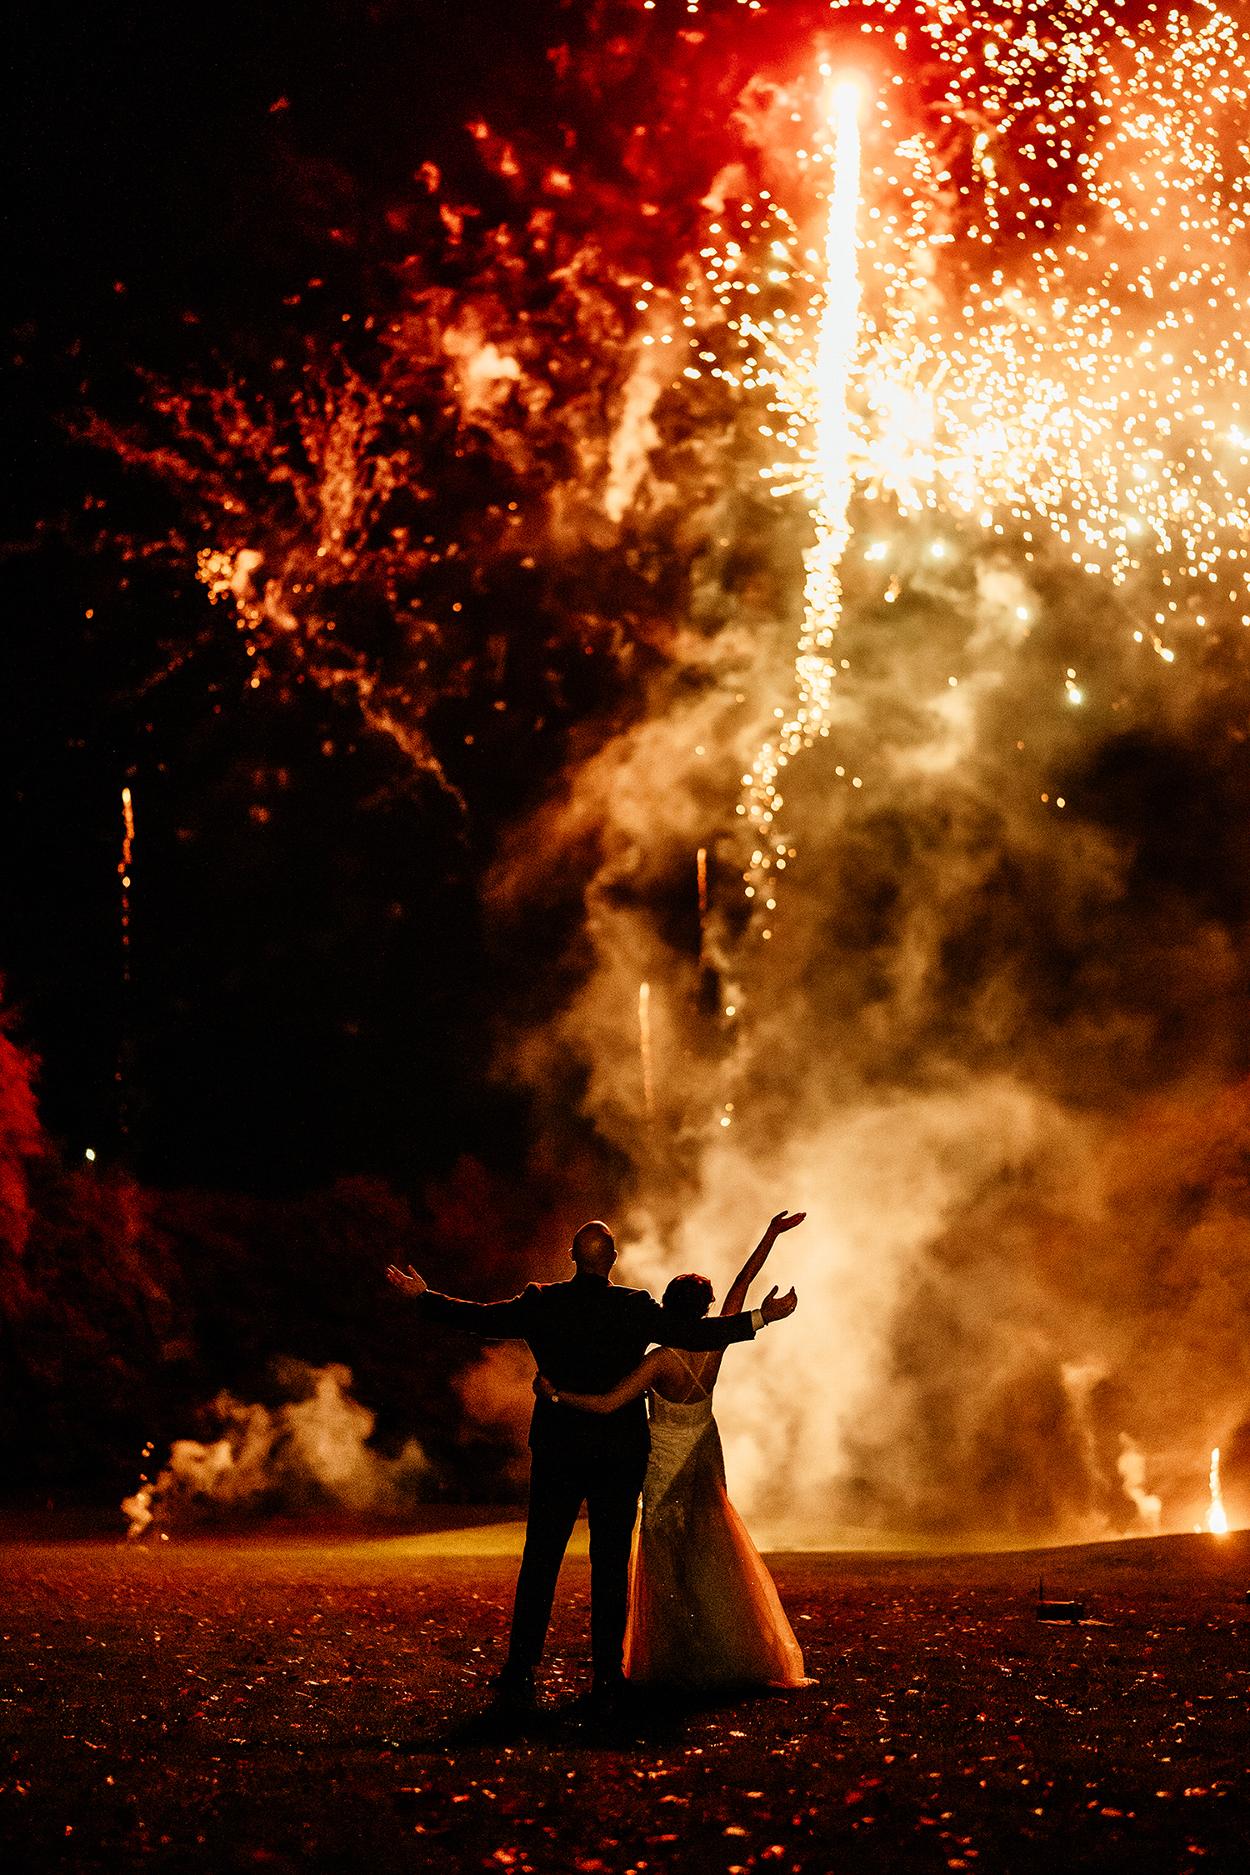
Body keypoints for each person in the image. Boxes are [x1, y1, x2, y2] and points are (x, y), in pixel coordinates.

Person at [386, 1219, 797, 1718]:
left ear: (571, 1256)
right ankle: (606, 1674)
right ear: (614, 1259)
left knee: (540, 1562)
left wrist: (424, 1298)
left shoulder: (542, 1301)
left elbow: (483, 1319)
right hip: (618, 1454)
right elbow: (695, 1332)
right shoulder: (634, 1307)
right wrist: (761, 1318)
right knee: (609, 1566)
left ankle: (520, 1673)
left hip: (559, 1448)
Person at [534, 1210, 809, 1691]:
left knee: (663, 1560)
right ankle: (717, 1642)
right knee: (707, 1550)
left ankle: (672, 1654)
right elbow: (742, 1286)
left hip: (663, 1460)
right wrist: (770, 1235)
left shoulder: (660, 1360)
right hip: (703, 1455)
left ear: (666, 1305)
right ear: (704, 1309)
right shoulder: (714, 1346)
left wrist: (556, 1394)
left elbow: (605, 1404)